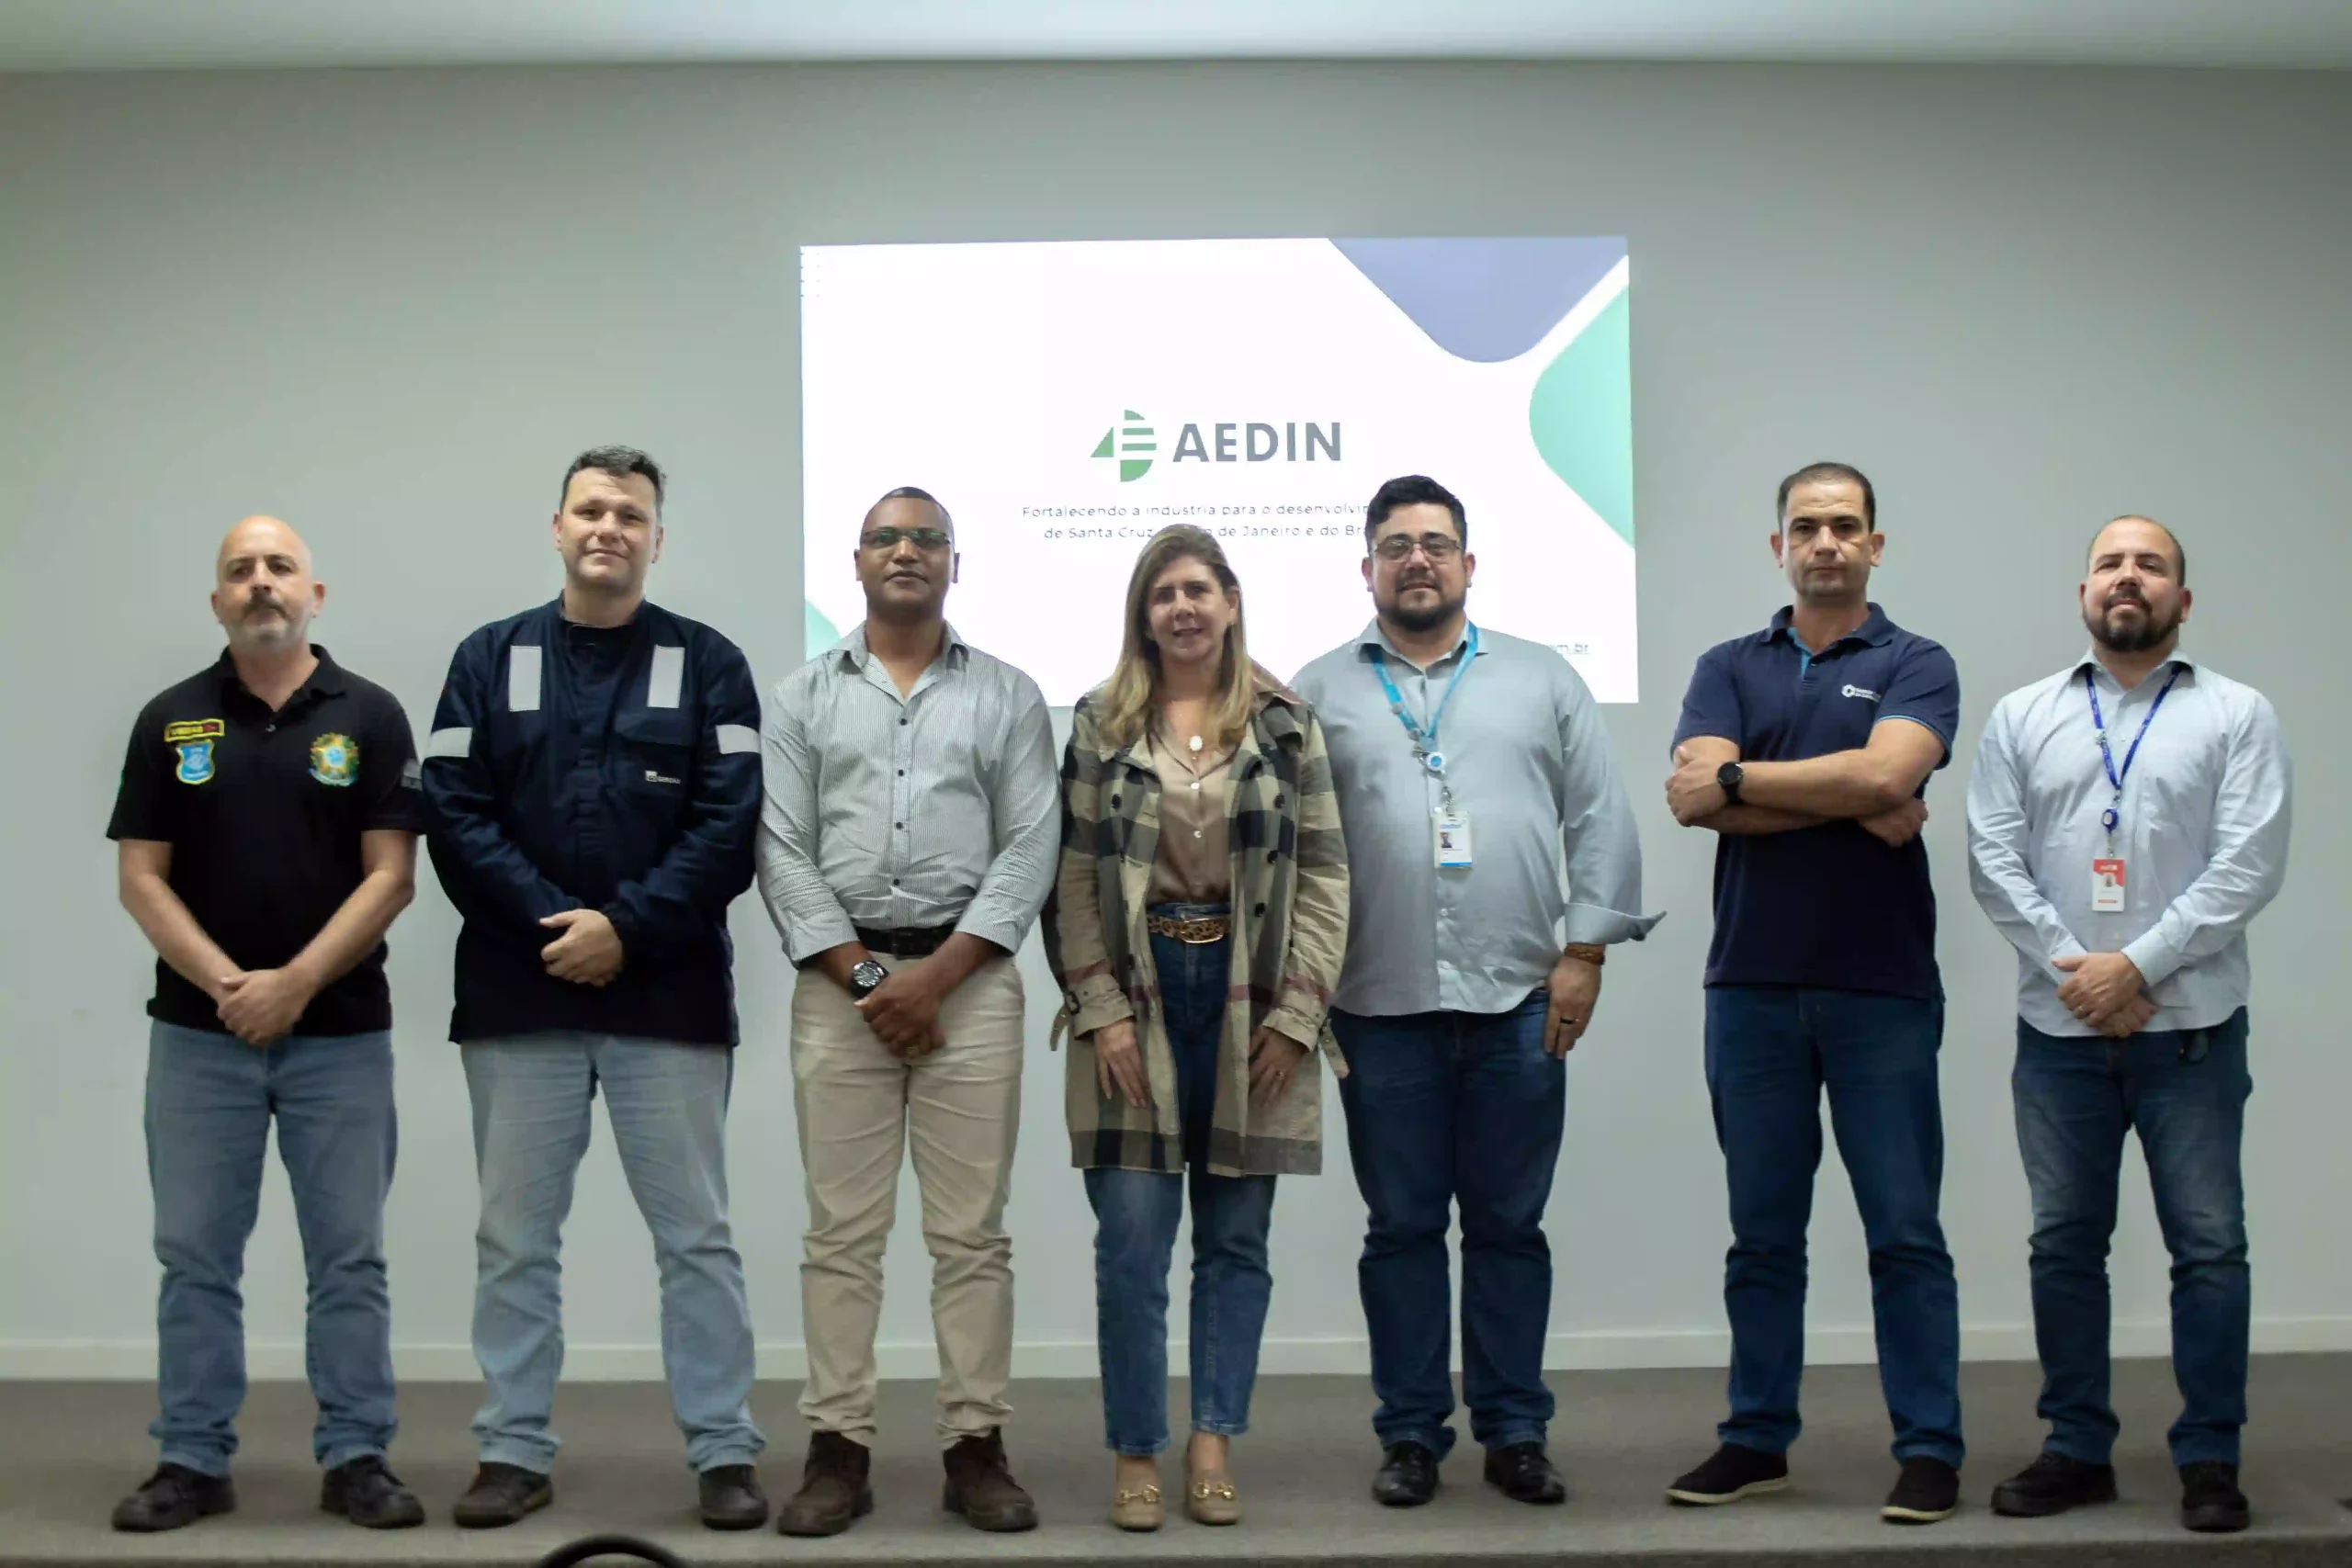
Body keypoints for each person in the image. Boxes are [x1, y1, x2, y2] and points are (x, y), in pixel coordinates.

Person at [1293, 475, 1658, 1509]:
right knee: (1401, 1229)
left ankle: (1514, 1432)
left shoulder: (1544, 680)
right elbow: (1285, 852)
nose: (1418, 559)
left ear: (1468, 563)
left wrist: (1583, 953)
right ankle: (1410, 1435)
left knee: (1508, 1227)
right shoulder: (1317, 690)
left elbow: (1600, 821)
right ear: (1366, 567)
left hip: (1515, 999)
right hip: (1375, 1004)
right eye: (1396, 544)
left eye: (1436, 543)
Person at [420, 446, 767, 1531]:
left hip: (666, 999)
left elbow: (731, 823)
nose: (608, 527)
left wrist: (624, 929)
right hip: (520, 999)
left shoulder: (710, 664)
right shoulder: (487, 658)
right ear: (557, 527)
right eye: (591, 510)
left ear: (657, 538)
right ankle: (512, 1452)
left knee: (696, 1238)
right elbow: (453, 809)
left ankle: (722, 1451)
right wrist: (557, 930)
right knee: (514, 1239)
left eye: (631, 513)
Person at [1966, 516, 2290, 1535]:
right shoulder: (2022, 716)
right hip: (2059, 1036)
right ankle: (2075, 1450)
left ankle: (2209, 1459)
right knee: (2063, 1245)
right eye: (2110, 562)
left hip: (2190, 1031)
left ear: (2181, 603)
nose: (2128, 578)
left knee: (2208, 1249)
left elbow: (2249, 864)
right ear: (2082, 593)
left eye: (2150, 566)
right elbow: (1991, 859)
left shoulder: (2238, 714)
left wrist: (2136, 966)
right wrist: (2082, 973)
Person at [106, 516, 425, 1532]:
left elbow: (392, 876)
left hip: (341, 1036)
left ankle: (358, 1457)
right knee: (195, 1255)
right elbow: (140, 879)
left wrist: (292, 983)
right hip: (197, 1041)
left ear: (315, 594)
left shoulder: (370, 716)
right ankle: (192, 1460)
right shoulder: (170, 720)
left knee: (350, 1259)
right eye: (239, 571)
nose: (260, 584)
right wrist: (231, 988)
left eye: (278, 567)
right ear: (216, 603)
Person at [1661, 461, 1964, 1524]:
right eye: (1806, 527)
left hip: (1879, 988)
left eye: (1845, 526)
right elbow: (1695, 801)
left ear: (1876, 544)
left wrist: (1754, 778)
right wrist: (1844, 791)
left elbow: (1887, 780)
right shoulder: (1726, 665)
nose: (1825, 541)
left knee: (1903, 1233)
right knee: (1761, 1234)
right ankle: (1756, 1440)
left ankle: (1928, 1448)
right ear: (1777, 546)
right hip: (1748, 986)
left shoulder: (1917, 662)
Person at [757, 486, 1057, 1537]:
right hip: (840, 992)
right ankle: (838, 1448)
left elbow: (1029, 850)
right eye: (886, 536)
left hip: (970, 989)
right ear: (854, 561)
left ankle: (975, 1447)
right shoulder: (799, 697)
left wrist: (935, 977)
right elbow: (781, 852)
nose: (906, 551)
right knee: (841, 1233)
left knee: (971, 1235)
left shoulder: (1009, 696)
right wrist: (870, 981)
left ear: (954, 565)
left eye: (927, 538)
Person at [1045, 525, 1351, 1531]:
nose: (1182, 608)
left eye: (1198, 591)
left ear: (1230, 602)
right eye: (1162, 593)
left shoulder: (1285, 725)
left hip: (1248, 993)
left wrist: (1298, 1015)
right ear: (1144, 613)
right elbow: (1075, 881)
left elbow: (1322, 876)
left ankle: (1212, 1439)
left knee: (1235, 1244)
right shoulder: (1099, 721)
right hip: (1133, 993)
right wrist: (1100, 1011)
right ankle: (1137, 1450)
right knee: (1130, 1248)